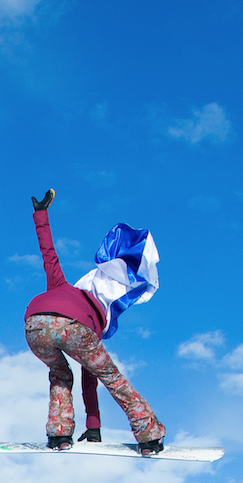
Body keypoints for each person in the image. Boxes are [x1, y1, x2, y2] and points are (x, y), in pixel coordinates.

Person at [23, 188, 165, 452]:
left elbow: (48, 254)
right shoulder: (93, 320)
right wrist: (94, 426)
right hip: (74, 328)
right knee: (113, 378)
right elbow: (91, 376)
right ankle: (150, 436)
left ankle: (59, 434)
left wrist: (40, 215)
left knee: (60, 374)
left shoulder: (60, 285)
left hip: (34, 323)